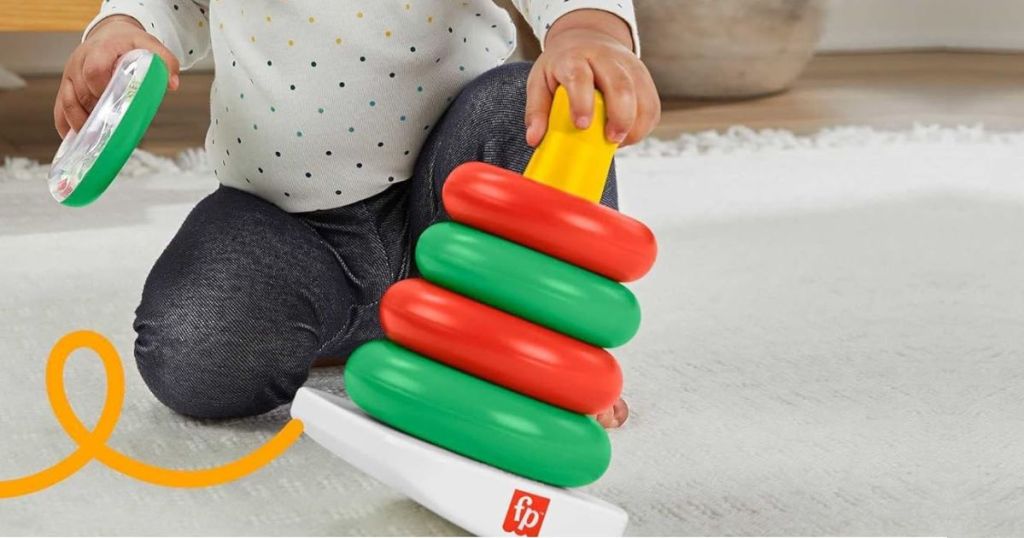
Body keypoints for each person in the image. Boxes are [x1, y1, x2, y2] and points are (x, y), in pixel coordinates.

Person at [55, 0, 659, 428]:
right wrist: (122, 28)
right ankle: (346, 327)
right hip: (286, 223)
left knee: (526, 105)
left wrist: (589, 33)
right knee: (195, 347)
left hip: (454, 196)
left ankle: (546, 348)